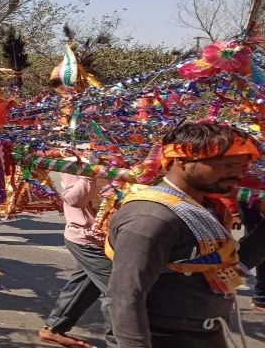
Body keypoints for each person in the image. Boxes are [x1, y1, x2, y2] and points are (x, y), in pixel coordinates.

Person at [107, 122, 265, 348]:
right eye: (228, 164)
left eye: (242, 167)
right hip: (163, 338)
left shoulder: (207, 206)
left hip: (206, 333)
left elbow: (230, 266)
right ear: (181, 160)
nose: (237, 175)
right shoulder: (151, 218)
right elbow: (125, 296)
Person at [39, 172, 116, 348]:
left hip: (109, 238)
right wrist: (90, 174)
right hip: (88, 239)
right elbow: (74, 200)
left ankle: (54, 327)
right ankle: (122, 343)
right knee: (119, 291)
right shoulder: (79, 161)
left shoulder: (124, 152)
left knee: (87, 282)